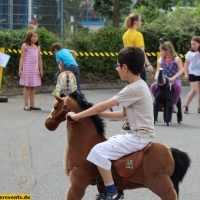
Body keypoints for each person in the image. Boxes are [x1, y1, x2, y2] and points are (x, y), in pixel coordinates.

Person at [66, 46, 155, 200]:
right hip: (133, 134)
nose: (117, 69)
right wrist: (98, 113)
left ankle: (111, 193)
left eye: (117, 66)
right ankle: (116, 185)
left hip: (137, 137)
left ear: (124, 67)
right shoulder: (139, 86)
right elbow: (122, 115)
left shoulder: (133, 88)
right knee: (105, 147)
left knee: (98, 151)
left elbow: (103, 105)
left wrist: (77, 116)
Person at [150, 41, 184, 113]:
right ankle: (159, 102)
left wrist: (174, 78)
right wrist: (156, 77)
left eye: (161, 51)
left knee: (178, 87)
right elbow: (158, 70)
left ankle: (173, 104)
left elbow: (181, 70)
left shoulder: (176, 59)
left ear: (167, 51)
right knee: (153, 87)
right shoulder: (161, 60)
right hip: (164, 79)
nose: (160, 52)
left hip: (174, 78)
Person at [122, 13, 154, 81]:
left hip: (129, 65)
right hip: (138, 65)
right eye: (140, 20)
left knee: (131, 88)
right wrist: (148, 65)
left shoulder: (125, 35)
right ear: (136, 22)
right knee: (141, 89)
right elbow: (141, 51)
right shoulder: (138, 35)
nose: (141, 22)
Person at [19, 30, 43, 111]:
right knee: (26, 86)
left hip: (35, 70)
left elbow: (39, 59)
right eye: (33, 36)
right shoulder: (24, 46)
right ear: (29, 37)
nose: (35, 38)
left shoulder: (38, 47)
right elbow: (22, 58)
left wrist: (41, 70)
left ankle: (32, 104)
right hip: (27, 69)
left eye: (36, 36)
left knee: (33, 87)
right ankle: (26, 105)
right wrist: (20, 69)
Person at [182, 36, 200, 114]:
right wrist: (186, 73)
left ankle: (199, 107)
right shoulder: (189, 53)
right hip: (193, 73)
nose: (193, 46)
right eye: (192, 44)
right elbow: (186, 65)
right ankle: (185, 106)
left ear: (199, 44)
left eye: (194, 44)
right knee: (194, 90)